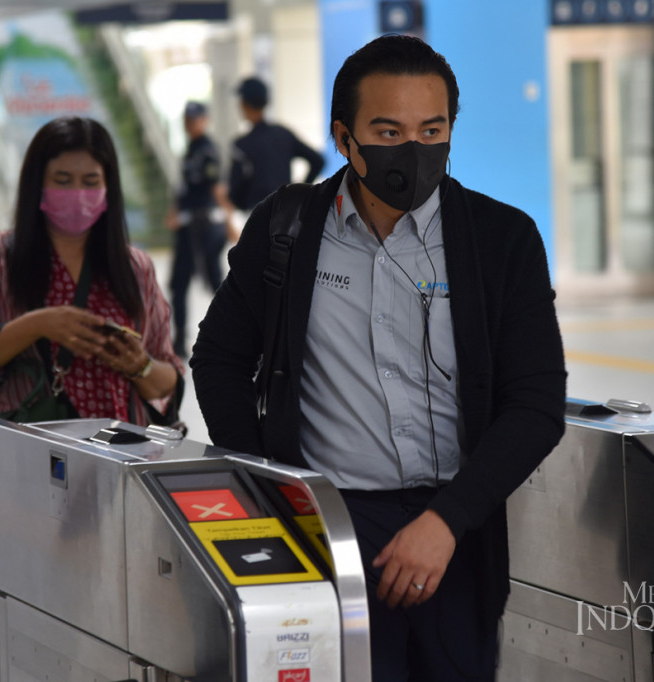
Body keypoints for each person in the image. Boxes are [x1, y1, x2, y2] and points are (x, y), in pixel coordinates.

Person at [191, 35, 566, 681]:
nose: (413, 150)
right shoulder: (287, 230)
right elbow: (219, 358)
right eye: (389, 131)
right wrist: (273, 493)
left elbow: (536, 404)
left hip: (457, 532)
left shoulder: (502, 239)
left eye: (432, 130)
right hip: (327, 528)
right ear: (345, 138)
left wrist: (448, 520)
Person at [0, 116, 183, 425]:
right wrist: (39, 324)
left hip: (122, 445)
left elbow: (168, 377)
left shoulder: (135, 267)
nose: (78, 193)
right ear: (38, 184)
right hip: (29, 445)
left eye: (91, 181)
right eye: (62, 180)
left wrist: (140, 366)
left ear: (108, 188)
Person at [166, 101, 230, 359]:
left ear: (204, 120)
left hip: (205, 226)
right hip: (187, 226)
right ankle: (180, 339)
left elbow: (217, 188)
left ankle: (232, 337)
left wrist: (230, 221)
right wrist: (174, 211)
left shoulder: (207, 150)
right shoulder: (190, 150)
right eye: (187, 120)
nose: (190, 124)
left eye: (194, 120)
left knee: (216, 283)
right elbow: (184, 189)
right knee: (179, 283)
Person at [227, 76, 325, 213]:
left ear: (244, 104)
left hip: (256, 213)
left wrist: (242, 204)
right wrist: (299, 191)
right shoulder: (283, 134)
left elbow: (235, 191)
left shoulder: (242, 145)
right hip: (285, 212)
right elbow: (318, 161)